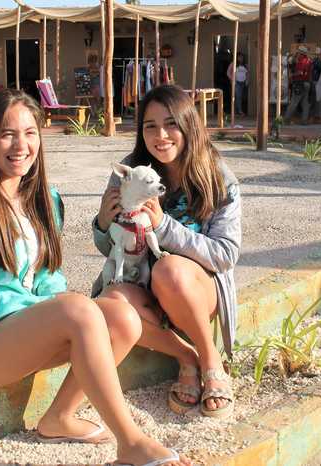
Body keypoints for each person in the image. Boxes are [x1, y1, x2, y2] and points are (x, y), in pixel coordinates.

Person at [0, 88, 191, 466]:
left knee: (122, 317)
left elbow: (48, 277)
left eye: (30, 133)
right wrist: (43, 305)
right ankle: (131, 442)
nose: (21, 145)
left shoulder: (43, 198)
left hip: (18, 332)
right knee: (76, 310)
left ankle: (59, 418)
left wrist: (52, 302)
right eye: (7, 133)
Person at [92, 85, 241, 419]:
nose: (161, 135)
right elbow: (111, 247)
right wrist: (102, 223)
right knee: (109, 302)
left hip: (193, 290)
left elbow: (225, 254)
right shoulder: (130, 173)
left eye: (171, 123)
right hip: (144, 288)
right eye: (150, 126)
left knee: (169, 269)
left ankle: (211, 359)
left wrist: (163, 226)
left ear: (189, 124)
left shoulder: (217, 178)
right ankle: (187, 357)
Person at [284, 45, 313, 125]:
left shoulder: (301, 61)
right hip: (307, 83)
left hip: (299, 83)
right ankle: (304, 121)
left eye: (298, 52)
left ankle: (286, 120)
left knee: (294, 102)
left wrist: (292, 75)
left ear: (301, 53)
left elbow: (300, 72)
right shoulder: (309, 60)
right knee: (305, 103)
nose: (297, 54)